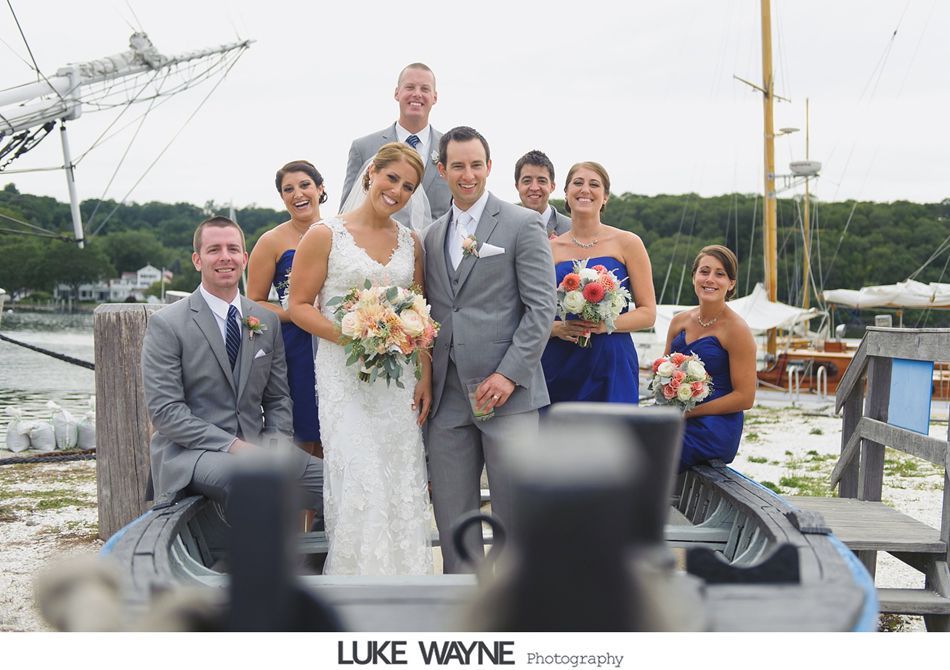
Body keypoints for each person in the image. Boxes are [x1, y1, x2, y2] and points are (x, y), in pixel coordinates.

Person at [288, 143, 433, 576]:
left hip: (398, 384)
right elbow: (299, 305)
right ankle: (356, 586)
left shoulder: (412, 243)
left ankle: (407, 584)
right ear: (372, 172)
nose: (398, 191)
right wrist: (355, 339)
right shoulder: (325, 235)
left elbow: (419, 312)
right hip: (344, 378)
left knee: (400, 479)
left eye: (408, 187)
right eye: (392, 179)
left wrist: (424, 374)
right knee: (360, 478)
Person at [422, 126, 556, 573]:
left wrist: (509, 374)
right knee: (453, 518)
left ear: (489, 166)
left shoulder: (522, 224)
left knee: (516, 513)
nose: (468, 174)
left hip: (509, 394)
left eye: (476, 164)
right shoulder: (431, 235)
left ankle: (518, 604)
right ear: (441, 170)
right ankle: (461, 604)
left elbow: (542, 308)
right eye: (457, 165)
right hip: (447, 399)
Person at [142, 216, 323, 515]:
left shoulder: (266, 320)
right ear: (197, 260)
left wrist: (276, 444)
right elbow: (166, 413)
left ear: (244, 258)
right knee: (252, 481)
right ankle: (259, 561)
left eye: (232, 249)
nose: (225, 257)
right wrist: (235, 447)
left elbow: (277, 398)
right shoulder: (167, 324)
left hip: (260, 450)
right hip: (191, 454)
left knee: (339, 485)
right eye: (214, 250)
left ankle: (326, 557)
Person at [542, 161, 656, 404]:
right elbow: (531, 313)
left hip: (611, 362)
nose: (585, 189)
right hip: (560, 363)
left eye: (594, 184)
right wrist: (555, 329)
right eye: (578, 183)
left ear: (605, 197)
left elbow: (648, 314)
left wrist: (604, 325)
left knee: (615, 439)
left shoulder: (628, 243)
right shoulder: (547, 249)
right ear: (565, 193)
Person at [246, 160, 325, 459]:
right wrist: (297, 312)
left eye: (304, 185)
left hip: (335, 341)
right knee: (302, 432)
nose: (297, 194)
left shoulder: (341, 232)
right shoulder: (271, 242)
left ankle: (330, 505)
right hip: (296, 347)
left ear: (320, 188)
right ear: (282, 198)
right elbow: (253, 303)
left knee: (334, 430)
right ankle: (300, 506)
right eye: (287, 189)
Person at [663, 245, 756, 471]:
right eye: (704, 271)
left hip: (713, 427)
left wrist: (690, 412)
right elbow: (663, 371)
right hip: (678, 419)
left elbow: (745, 398)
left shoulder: (736, 330)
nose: (710, 279)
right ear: (694, 276)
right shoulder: (679, 321)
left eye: (720, 274)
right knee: (625, 435)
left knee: (648, 450)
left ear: (731, 283)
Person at [340, 63, 451, 226]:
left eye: (425, 89)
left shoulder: (450, 148)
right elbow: (347, 209)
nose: (417, 94)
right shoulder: (363, 147)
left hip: (436, 249)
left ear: (435, 97)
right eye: (410, 87)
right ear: (397, 93)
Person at [514, 150, 570, 237]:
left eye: (541, 181)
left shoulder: (571, 229)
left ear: (552, 186)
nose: (534, 188)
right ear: (517, 186)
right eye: (527, 181)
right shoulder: (503, 227)